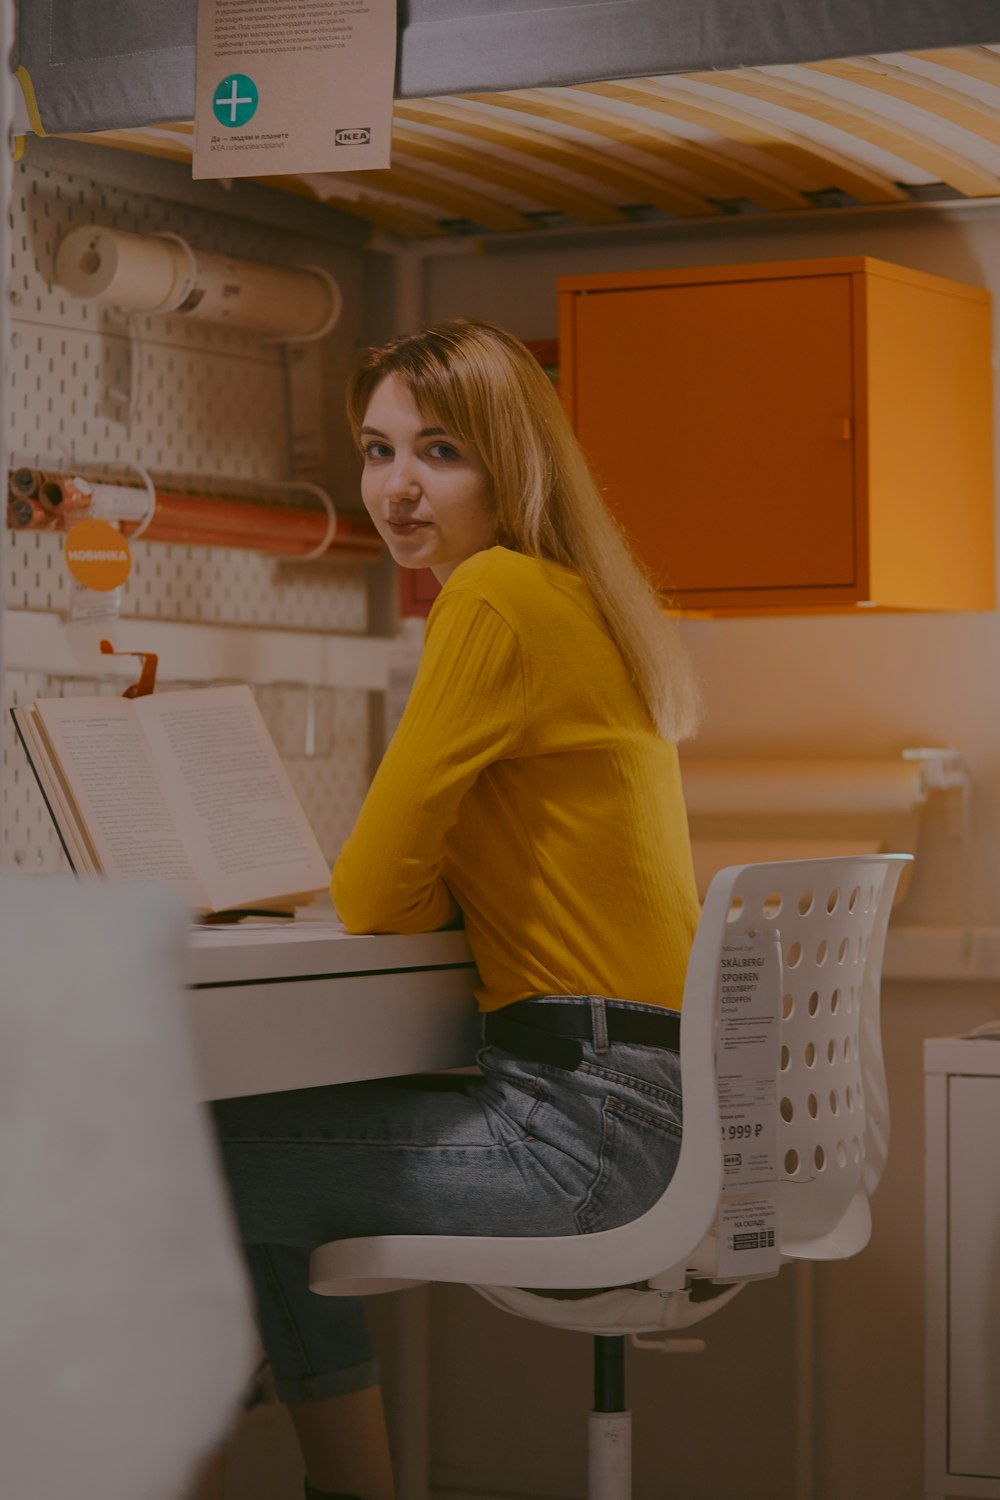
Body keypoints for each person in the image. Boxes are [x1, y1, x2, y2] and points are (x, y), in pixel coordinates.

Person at [195, 318, 702, 1500]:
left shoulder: (488, 598)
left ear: (507, 463)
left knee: (170, 1154)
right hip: (652, 1104)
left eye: (438, 450)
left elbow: (373, 893)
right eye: (376, 451)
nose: (397, 486)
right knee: (254, 1151)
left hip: (584, 1131)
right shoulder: (586, 598)